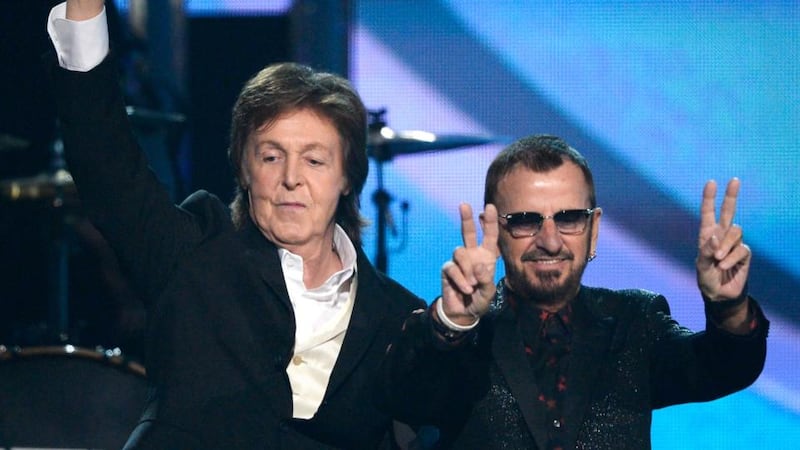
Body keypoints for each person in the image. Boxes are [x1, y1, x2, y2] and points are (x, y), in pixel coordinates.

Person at [44, 1, 424, 448]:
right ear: (243, 169)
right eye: (271, 156)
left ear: (347, 178)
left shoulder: (398, 316)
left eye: (315, 160)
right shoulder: (192, 254)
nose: (291, 178)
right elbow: (103, 160)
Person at [380, 135, 769, 449]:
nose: (550, 241)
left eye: (568, 219)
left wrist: (730, 306)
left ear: (593, 229)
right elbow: (408, 399)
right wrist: (455, 325)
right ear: (495, 232)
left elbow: (722, 368)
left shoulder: (634, 321)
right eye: (526, 221)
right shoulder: (460, 336)